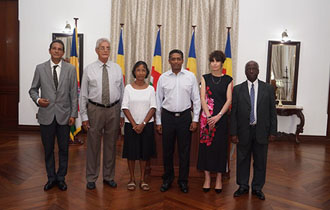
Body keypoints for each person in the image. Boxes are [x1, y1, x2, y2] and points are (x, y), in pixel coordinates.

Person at [29, 39, 78, 191]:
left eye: (60, 49)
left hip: (64, 116)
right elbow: (33, 89)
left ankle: (61, 178)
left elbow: (73, 94)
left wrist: (73, 114)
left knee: (64, 149)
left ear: (63, 53)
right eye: (54, 48)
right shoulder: (40, 68)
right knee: (48, 149)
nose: (57, 51)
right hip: (46, 115)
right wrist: (37, 99)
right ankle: (51, 178)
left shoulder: (70, 69)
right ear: (49, 50)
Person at [80, 38, 124, 190]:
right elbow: (83, 95)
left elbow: (122, 92)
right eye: (102, 48)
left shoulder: (117, 68)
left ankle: (108, 177)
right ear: (96, 50)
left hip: (113, 109)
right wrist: (84, 116)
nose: (105, 50)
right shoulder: (89, 69)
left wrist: (122, 115)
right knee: (93, 145)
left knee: (111, 145)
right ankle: (91, 178)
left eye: (108, 48)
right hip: (95, 110)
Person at [230, 60, 277, 200]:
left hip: (261, 131)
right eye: (248, 68)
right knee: (242, 160)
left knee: (260, 161)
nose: (251, 70)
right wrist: (233, 133)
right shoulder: (237, 89)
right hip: (243, 131)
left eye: (254, 68)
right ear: (245, 71)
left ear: (258, 71)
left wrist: (273, 132)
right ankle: (243, 186)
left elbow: (272, 112)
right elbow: (234, 113)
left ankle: (257, 187)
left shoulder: (268, 88)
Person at [156, 49, 201, 193]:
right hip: (167, 117)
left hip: (185, 118)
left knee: (184, 151)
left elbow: (197, 99)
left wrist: (195, 119)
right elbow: (158, 100)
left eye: (178, 59)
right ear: (169, 61)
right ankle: (167, 179)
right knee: (167, 151)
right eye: (173, 59)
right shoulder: (163, 78)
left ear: (182, 61)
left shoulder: (190, 77)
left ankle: (183, 181)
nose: (176, 61)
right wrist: (158, 121)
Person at [197, 50, 233, 193]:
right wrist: (208, 116)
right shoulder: (205, 77)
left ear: (222, 63)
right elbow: (202, 98)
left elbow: (229, 99)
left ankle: (218, 178)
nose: (214, 64)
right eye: (212, 61)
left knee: (220, 148)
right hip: (206, 119)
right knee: (206, 148)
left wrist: (218, 116)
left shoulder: (228, 79)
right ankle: (207, 178)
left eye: (217, 61)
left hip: (221, 118)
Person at [121, 61, 156, 191]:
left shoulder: (151, 88)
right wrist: (135, 124)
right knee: (131, 153)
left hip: (146, 126)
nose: (141, 72)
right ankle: (131, 179)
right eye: (138, 70)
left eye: (143, 70)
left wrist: (143, 124)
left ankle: (142, 179)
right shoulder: (128, 88)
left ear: (146, 72)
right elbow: (124, 107)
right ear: (134, 72)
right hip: (131, 126)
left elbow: (153, 107)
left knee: (144, 153)